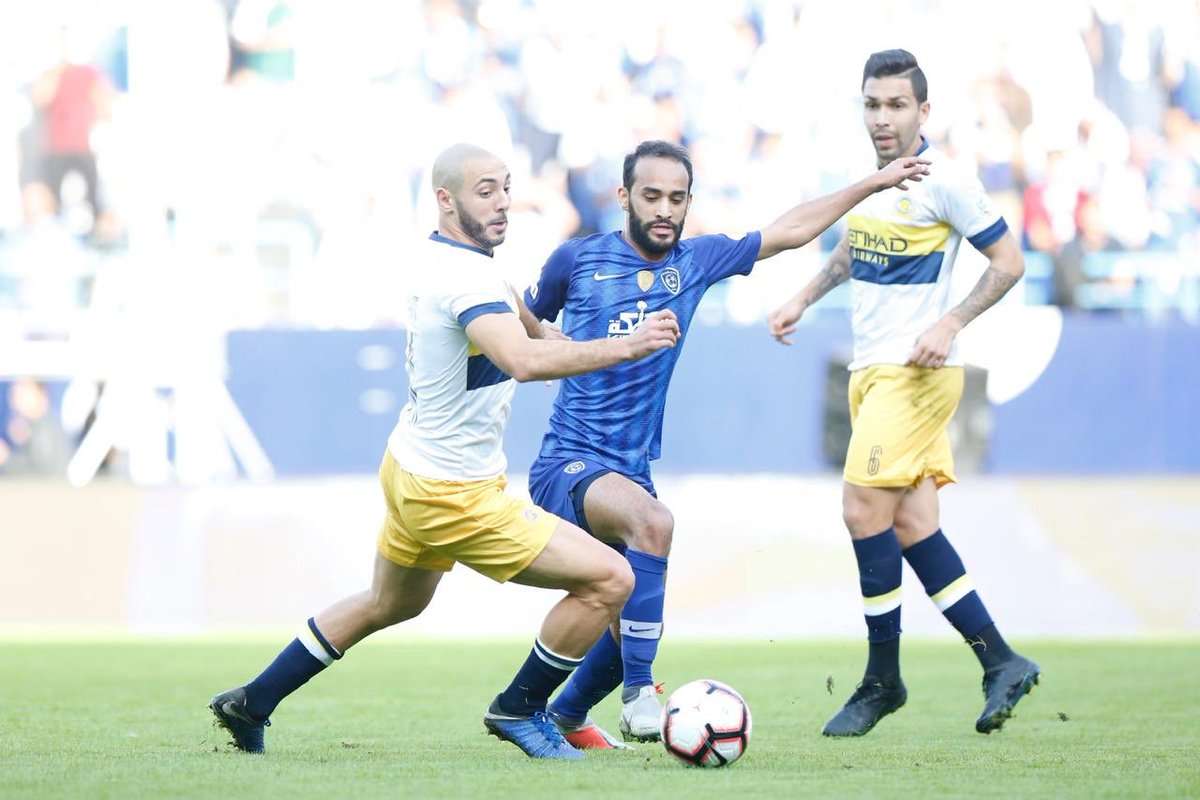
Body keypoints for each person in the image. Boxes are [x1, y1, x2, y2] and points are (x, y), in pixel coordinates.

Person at [209, 143, 683, 760]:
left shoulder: (471, 265)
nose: (503, 202)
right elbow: (523, 359)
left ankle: (254, 700)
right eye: (485, 190)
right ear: (445, 199)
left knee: (389, 602)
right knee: (611, 578)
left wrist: (613, 340)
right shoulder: (463, 278)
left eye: (506, 187)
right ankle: (519, 710)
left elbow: (539, 333)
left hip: (412, 468)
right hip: (451, 492)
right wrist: (628, 347)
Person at [521, 140, 930, 746]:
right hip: (566, 462)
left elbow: (788, 232)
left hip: (629, 469)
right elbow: (526, 325)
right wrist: (542, 335)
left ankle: (561, 715)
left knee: (626, 609)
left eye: (677, 199)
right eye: (651, 196)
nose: (664, 209)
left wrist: (870, 184)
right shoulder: (576, 260)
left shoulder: (697, 261)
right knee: (654, 525)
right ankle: (640, 694)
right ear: (624, 197)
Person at [768, 49, 1039, 737]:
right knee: (914, 526)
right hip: (871, 372)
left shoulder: (948, 181)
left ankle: (881, 680)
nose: (882, 118)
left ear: (924, 111)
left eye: (895, 105)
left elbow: (1009, 261)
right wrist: (804, 295)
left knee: (861, 507)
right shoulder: (873, 182)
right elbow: (852, 250)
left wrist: (951, 321)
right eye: (872, 104)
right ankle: (1000, 660)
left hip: (914, 377)